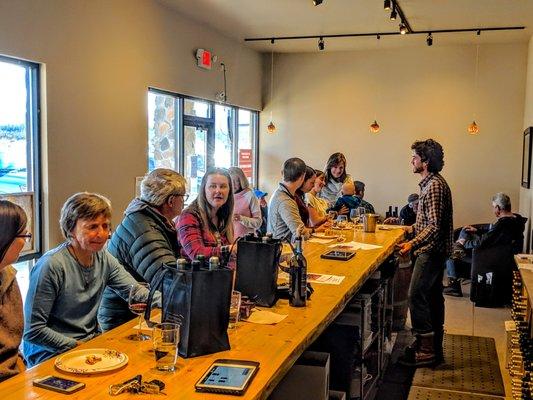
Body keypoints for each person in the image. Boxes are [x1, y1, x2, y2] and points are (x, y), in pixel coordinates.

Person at [23, 193, 153, 367]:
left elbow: (135, 291)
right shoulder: (51, 265)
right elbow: (33, 331)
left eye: (105, 226)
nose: (102, 234)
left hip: (88, 347)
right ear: (71, 229)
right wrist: (80, 347)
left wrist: (172, 302)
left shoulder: (103, 258)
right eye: (92, 227)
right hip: (50, 355)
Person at [98, 169, 187, 331]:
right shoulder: (145, 230)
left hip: (136, 311)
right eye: (183, 197)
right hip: (123, 318)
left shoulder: (146, 218)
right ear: (171, 201)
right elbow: (167, 280)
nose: (184, 202)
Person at [397, 139, 453, 367]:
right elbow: (426, 222)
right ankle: (430, 347)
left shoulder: (434, 186)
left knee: (416, 295)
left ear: (426, 161)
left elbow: (434, 226)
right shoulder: (429, 184)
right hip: (431, 249)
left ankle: (427, 350)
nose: (411, 160)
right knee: (431, 298)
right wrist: (408, 229)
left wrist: (412, 243)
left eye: (415, 157)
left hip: (431, 251)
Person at [443, 192, 526, 297]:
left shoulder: (503, 225)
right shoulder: (516, 219)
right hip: (500, 254)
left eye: (493, 207)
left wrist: (465, 243)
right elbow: (491, 236)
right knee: (465, 231)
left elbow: (481, 243)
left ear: (498, 207)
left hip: (490, 258)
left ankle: (453, 285)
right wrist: (477, 230)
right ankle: (458, 245)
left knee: (451, 252)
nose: (493, 210)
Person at [177, 168, 235, 266]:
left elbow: (231, 260)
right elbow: (197, 254)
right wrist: (230, 249)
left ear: (229, 191)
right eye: (212, 186)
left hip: (219, 278)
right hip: (195, 279)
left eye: (223, 186)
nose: (218, 191)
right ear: (203, 189)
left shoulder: (224, 217)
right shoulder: (189, 216)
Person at [0, 201, 29, 382]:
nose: (26, 241)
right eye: (24, 235)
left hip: (16, 374)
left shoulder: (8, 273)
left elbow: (13, 346)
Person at [268, 157, 312, 241]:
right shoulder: (286, 201)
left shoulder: (279, 193)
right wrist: (307, 232)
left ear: (282, 173)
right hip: (284, 250)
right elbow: (301, 235)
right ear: (302, 177)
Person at [229, 167, 262, 238]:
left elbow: (258, 222)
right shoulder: (226, 196)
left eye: (236, 181)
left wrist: (241, 218)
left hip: (247, 242)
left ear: (241, 181)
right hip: (230, 242)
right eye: (231, 181)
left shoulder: (250, 195)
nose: (233, 184)